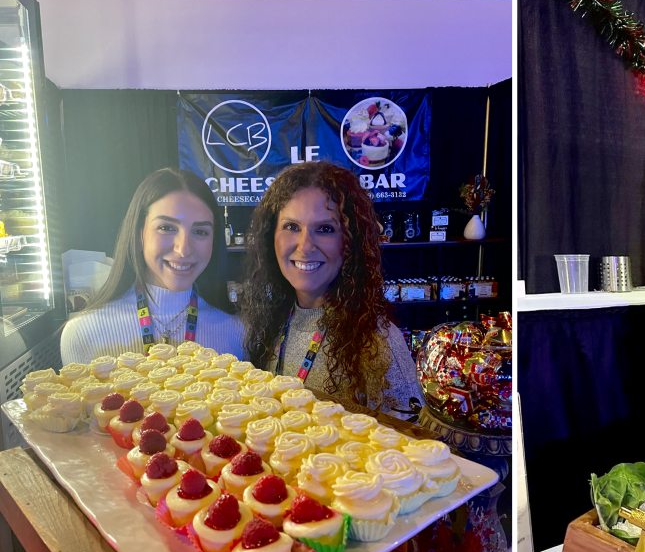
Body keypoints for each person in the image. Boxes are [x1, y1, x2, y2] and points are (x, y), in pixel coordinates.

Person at [239, 161, 420, 411]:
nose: (305, 246)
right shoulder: (270, 322)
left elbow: (411, 445)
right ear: (272, 236)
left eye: (325, 229)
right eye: (292, 227)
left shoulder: (378, 342)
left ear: (350, 243)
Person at [61, 168, 244, 363]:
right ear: (139, 235)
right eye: (166, 228)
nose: (184, 249)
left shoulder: (236, 331)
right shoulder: (82, 333)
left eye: (200, 232)